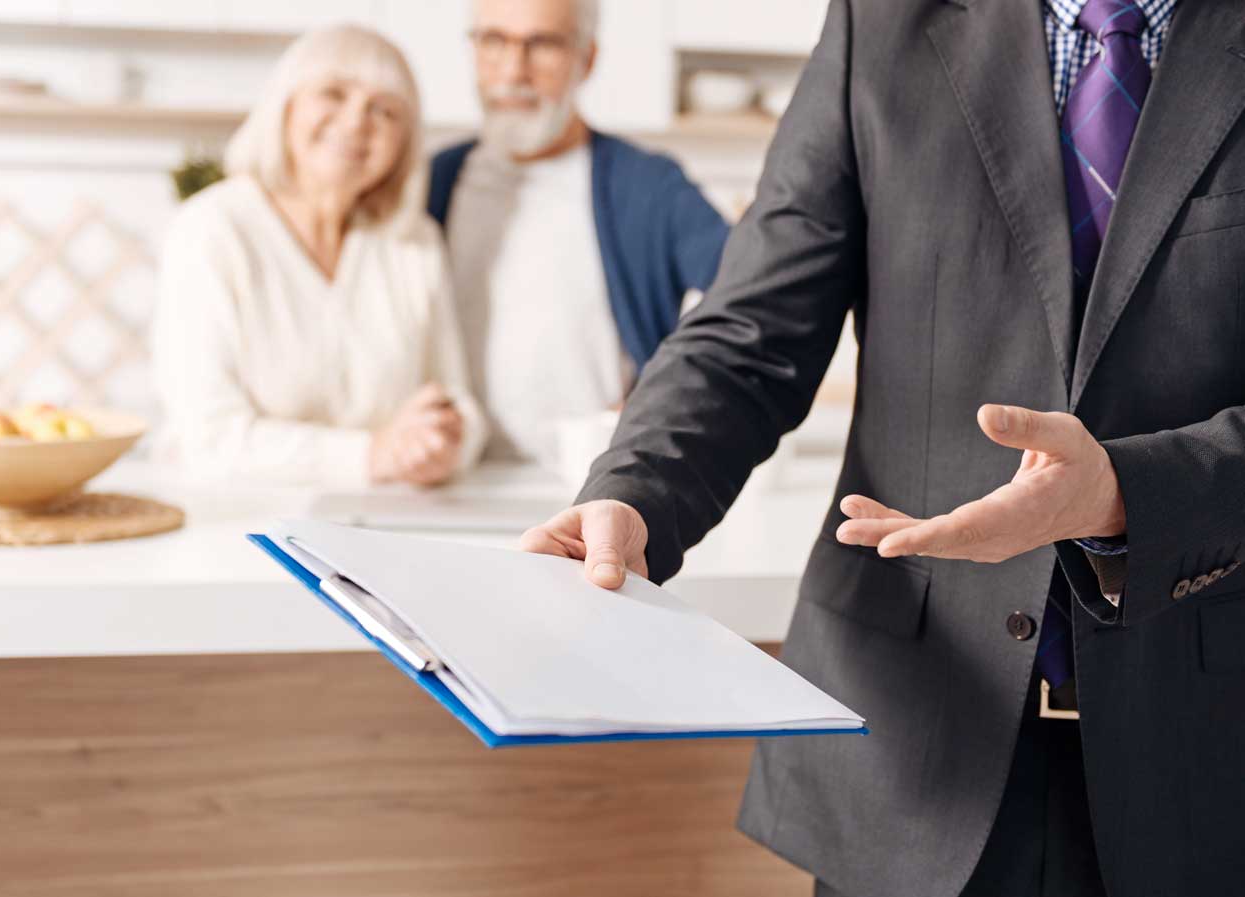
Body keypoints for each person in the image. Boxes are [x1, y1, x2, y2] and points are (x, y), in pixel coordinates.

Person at [521, 1, 1245, 895]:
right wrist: (634, 490)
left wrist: (1129, 494)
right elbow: (752, 328)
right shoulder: (882, 20)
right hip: (917, 743)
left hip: (1206, 754)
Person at [153, 26, 486, 488]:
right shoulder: (212, 228)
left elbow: (457, 403)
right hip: (233, 523)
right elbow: (207, 438)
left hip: (384, 520)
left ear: (403, 145)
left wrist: (447, 443)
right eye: (333, 94)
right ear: (285, 108)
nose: (357, 122)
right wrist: (372, 455)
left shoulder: (413, 241)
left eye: (385, 111)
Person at [427, 0, 729, 466]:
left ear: (586, 59)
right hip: (455, 481)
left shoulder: (648, 185)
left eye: (541, 44)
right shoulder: (433, 182)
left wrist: (665, 398)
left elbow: (747, 293)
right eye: (493, 41)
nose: (513, 69)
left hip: (594, 482)